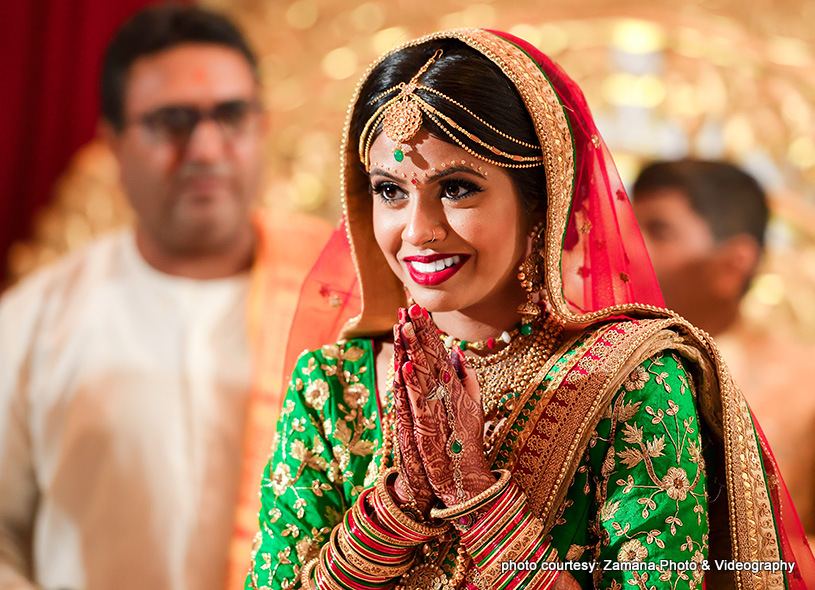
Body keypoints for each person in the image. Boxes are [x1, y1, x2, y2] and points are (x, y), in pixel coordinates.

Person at [246, 30, 815, 590]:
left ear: (544, 197)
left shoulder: (629, 380)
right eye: (390, 191)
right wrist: (395, 509)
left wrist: (477, 498)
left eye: (458, 188)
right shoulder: (331, 382)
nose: (417, 230)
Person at [0, 5, 331, 590]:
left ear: (261, 126)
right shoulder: (34, 320)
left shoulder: (348, 298)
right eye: (170, 122)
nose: (205, 148)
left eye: (231, 115)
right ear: (113, 146)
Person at [632, 159, 815, 538]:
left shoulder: (806, 384)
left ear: (734, 264)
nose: (629, 247)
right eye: (629, 227)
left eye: (658, 231)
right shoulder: (595, 364)